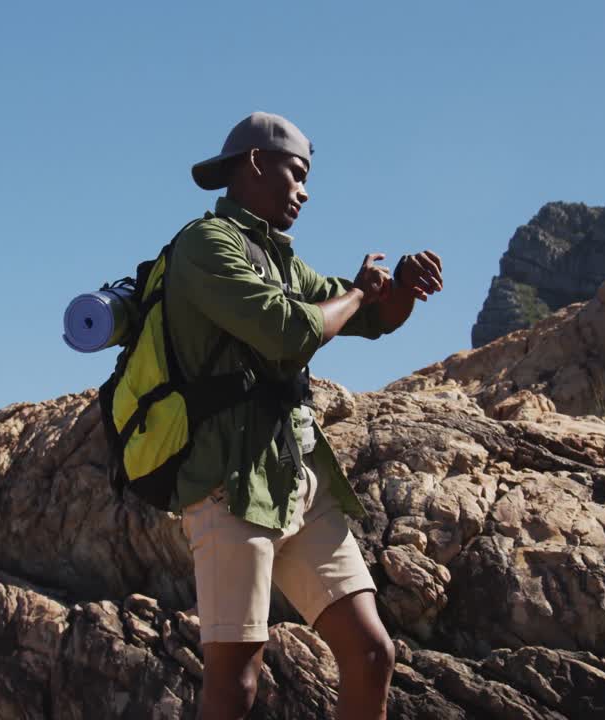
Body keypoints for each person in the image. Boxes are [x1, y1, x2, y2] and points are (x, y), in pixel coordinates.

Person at [166, 111, 443, 720]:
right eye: (296, 173)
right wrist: (357, 293)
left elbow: (373, 319)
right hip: (232, 486)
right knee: (235, 687)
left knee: (371, 654)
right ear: (255, 164)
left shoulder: (284, 262)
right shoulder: (206, 245)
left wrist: (398, 287)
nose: (305, 191)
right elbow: (289, 332)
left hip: (297, 478)